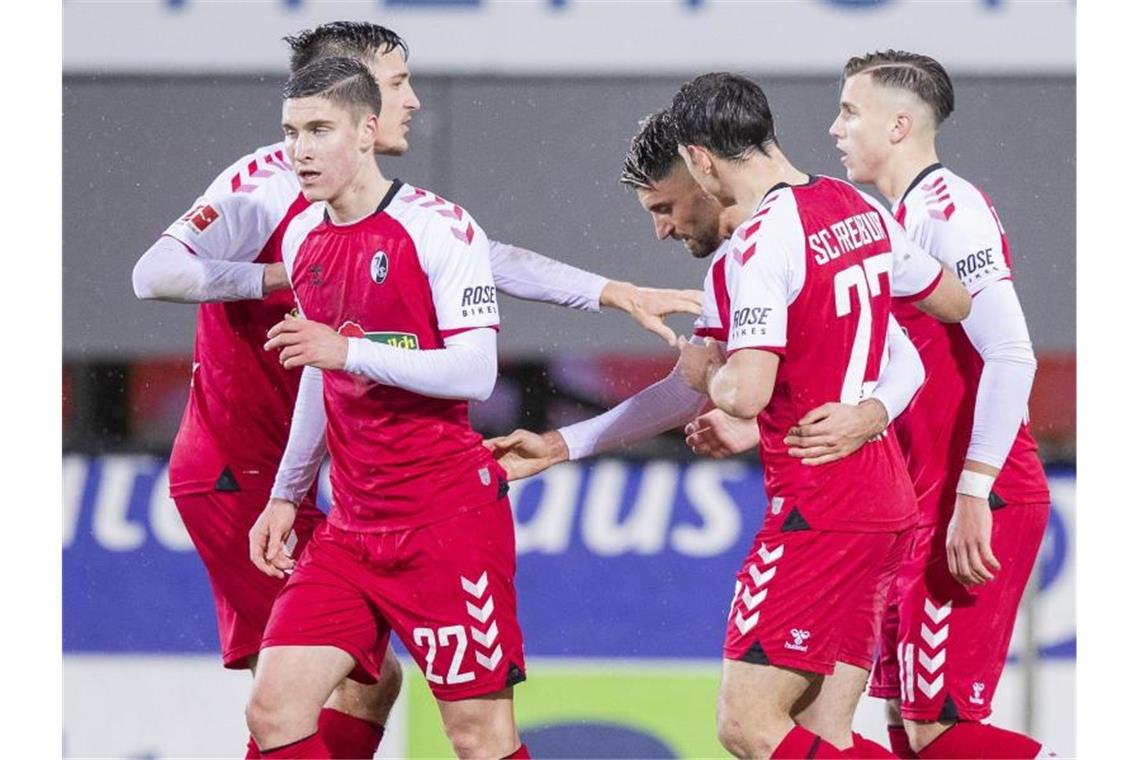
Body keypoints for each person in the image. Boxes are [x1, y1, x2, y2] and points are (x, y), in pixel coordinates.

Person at [131, 21, 698, 758]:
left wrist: (608, 291)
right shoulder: (273, 193)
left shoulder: (415, 221)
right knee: (285, 701)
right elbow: (154, 274)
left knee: (395, 696)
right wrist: (281, 285)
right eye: (398, 82)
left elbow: (471, 260)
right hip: (245, 469)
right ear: (356, 98)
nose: (414, 100)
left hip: (402, 500)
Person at [489, 73, 971, 757]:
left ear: (700, 161)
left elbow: (737, 391)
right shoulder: (852, 206)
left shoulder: (757, 246)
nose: (661, 229)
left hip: (819, 508)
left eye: (662, 206)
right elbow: (950, 302)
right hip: (881, 503)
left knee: (746, 725)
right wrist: (565, 444)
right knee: (821, 735)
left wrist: (710, 374)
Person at [244, 57, 526, 759]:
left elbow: (475, 372)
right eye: (290, 131)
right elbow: (318, 369)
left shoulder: (440, 228)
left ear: (368, 131)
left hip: (447, 524)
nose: (299, 150)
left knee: (479, 737)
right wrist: (287, 491)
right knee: (274, 710)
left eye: (319, 129)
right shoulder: (306, 238)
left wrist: (347, 352)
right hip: (352, 529)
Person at [827, 51, 1054, 759]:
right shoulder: (903, 219)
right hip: (930, 505)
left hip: (977, 500)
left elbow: (1012, 353)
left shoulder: (948, 211)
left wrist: (974, 492)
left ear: (899, 124)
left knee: (937, 729)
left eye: (849, 111)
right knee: (908, 728)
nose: (834, 129)